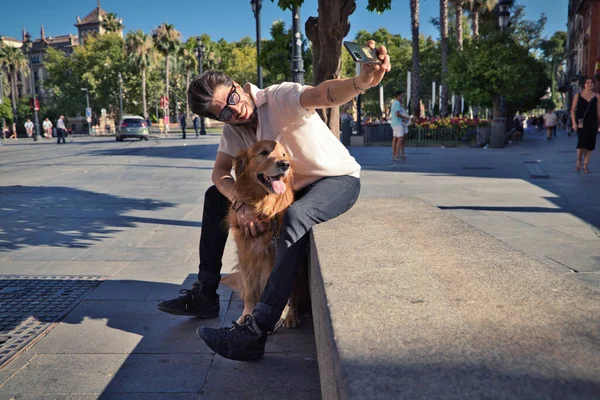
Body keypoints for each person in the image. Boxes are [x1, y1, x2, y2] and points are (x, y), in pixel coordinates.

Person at [157, 40, 391, 362]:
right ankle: (206, 292)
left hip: (334, 181)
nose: (235, 110)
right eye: (224, 112)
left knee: (294, 217)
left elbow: (324, 94)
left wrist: (360, 83)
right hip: (283, 187)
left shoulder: (280, 96)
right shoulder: (234, 131)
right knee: (216, 197)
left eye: (233, 98)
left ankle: (256, 330)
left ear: (238, 86)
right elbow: (220, 175)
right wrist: (239, 202)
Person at [571, 77, 600, 174]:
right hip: (581, 123)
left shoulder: (597, 96)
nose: (590, 84)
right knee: (582, 143)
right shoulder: (578, 96)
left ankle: (585, 166)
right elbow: (572, 110)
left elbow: (598, 111)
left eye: (591, 82)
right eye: (587, 82)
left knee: (590, 145)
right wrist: (574, 123)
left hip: (593, 123)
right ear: (584, 85)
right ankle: (579, 160)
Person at [390, 90, 410, 160]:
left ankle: (394, 154)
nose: (402, 97)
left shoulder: (394, 103)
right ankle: (396, 155)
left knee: (395, 138)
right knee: (400, 139)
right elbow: (397, 114)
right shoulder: (397, 103)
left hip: (394, 123)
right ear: (398, 96)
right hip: (398, 123)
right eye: (401, 95)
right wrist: (406, 117)